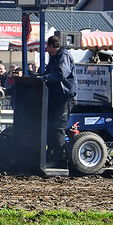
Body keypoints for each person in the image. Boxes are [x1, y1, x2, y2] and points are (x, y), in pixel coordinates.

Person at [39, 35, 76, 164]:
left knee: (58, 128)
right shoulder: (56, 57)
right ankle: (51, 154)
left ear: (51, 46)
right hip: (56, 97)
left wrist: (44, 78)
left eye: (47, 47)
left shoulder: (63, 57)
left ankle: (58, 158)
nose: (46, 50)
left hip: (63, 98)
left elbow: (61, 74)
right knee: (51, 127)